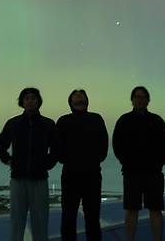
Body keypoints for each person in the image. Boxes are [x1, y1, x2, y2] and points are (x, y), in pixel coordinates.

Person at [0, 87, 58, 241]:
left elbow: (57, 148)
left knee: (41, 221)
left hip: (39, 178)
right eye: (27, 98)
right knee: (17, 220)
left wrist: (47, 164)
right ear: (22, 102)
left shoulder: (48, 124)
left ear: (39, 101)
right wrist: (9, 161)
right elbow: (0, 146)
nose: (30, 101)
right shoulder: (13, 123)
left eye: (33, 98)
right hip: (18, 179)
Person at [112, 86, 165, 241]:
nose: (140, 99)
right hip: (132, 173)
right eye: (137, 97)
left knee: (156, 209)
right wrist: (126, 162)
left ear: (148, 100)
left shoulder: (157, 120)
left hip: (154, 173)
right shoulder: (124, 120)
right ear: (132, 100)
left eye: (143, 97)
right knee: (132, 210)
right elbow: (117, 145)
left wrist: (159, 163)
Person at [57, 89, 109, 241]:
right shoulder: (63, 121)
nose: (79, 98)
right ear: (70, 102)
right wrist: (67, 160)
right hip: (70, 175)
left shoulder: (96, 119)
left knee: (93, 217)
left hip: (92, 175)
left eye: (82, 96)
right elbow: (57, 146)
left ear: (87, 101)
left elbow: (103, 145)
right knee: (68, 216)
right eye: (75, 96)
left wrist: (93, 160)